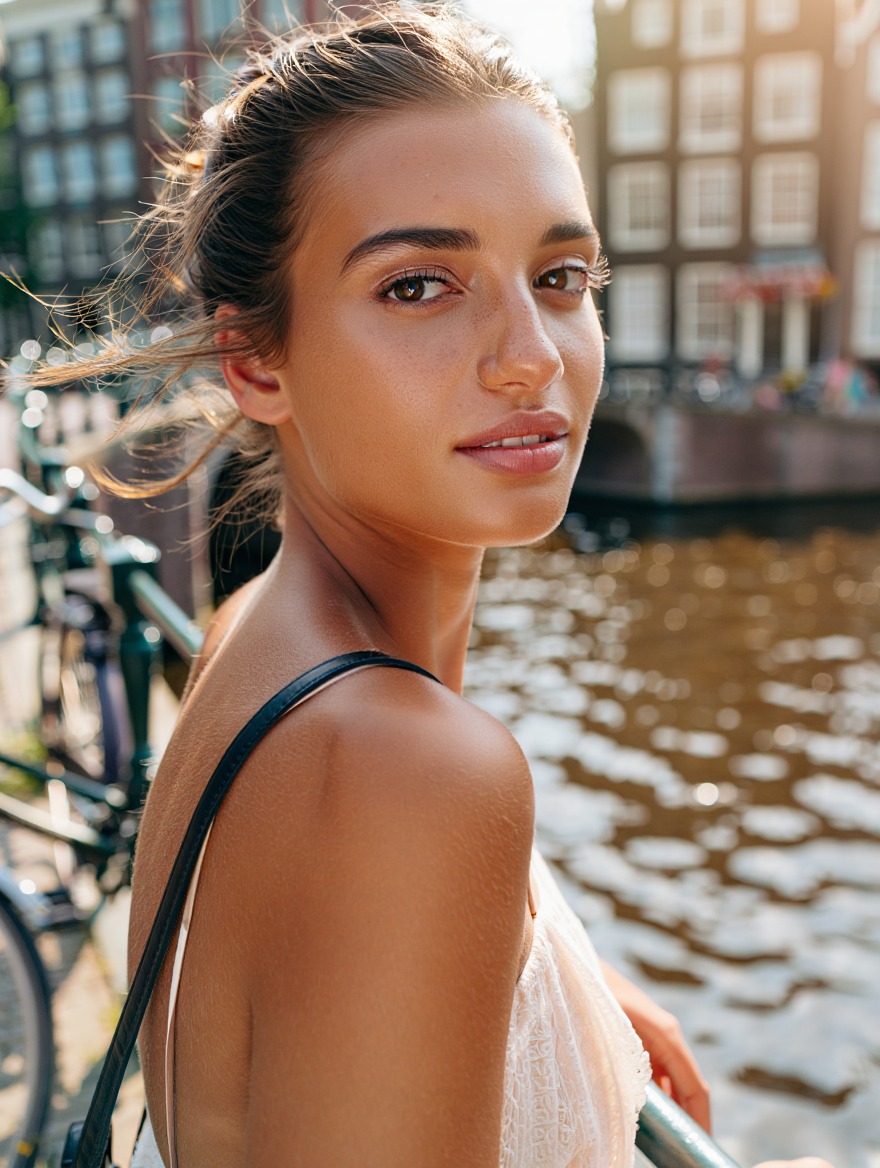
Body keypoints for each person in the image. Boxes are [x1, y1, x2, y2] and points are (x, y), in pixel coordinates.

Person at [31, 7, 835, 1166]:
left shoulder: (252, 635)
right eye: (418, 285)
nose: (532, 355)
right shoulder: (411, 772)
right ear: (255, 361)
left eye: (560, 275)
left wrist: (564, 994)